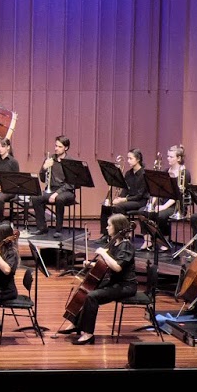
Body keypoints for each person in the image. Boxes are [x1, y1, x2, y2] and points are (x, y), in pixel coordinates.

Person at [67, 214, 136, 345]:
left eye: (109, 225)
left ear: (118, 227)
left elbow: (117, 267)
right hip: (114, 282)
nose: (107, 227)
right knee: (86, 290)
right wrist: (91, 264)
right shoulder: (115, 243)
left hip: (125, 286)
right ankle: (75, 323)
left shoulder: (126, 246)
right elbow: (107, 265)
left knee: (92, 296)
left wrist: (104, 253)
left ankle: (88, 334)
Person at [32, 136, 74, 234]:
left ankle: (58, 229)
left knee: (59, 199)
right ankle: (42, 227)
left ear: (66, 148)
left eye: (59, 146)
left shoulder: (70, 162)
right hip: (51, 189)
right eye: (56, 146)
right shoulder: (50, 159)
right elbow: (43, 179)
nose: (56, 148)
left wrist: (56, 194)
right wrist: (44, 167)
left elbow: (71, 184)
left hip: (66, 191)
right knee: (36, 198)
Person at [101, 149, 148, 223]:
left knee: (119, 207)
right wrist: (118, 198)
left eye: (130, 158)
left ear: (138, 159)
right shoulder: (128, 173)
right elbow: (125, 189)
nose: (128, 161)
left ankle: (122, 230)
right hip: (130, 199)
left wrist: (123, 200)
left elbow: (139, 195)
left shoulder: (144, 174)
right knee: (106, 206)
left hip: (140, 201)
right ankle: (106, 232)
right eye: (128, 158)